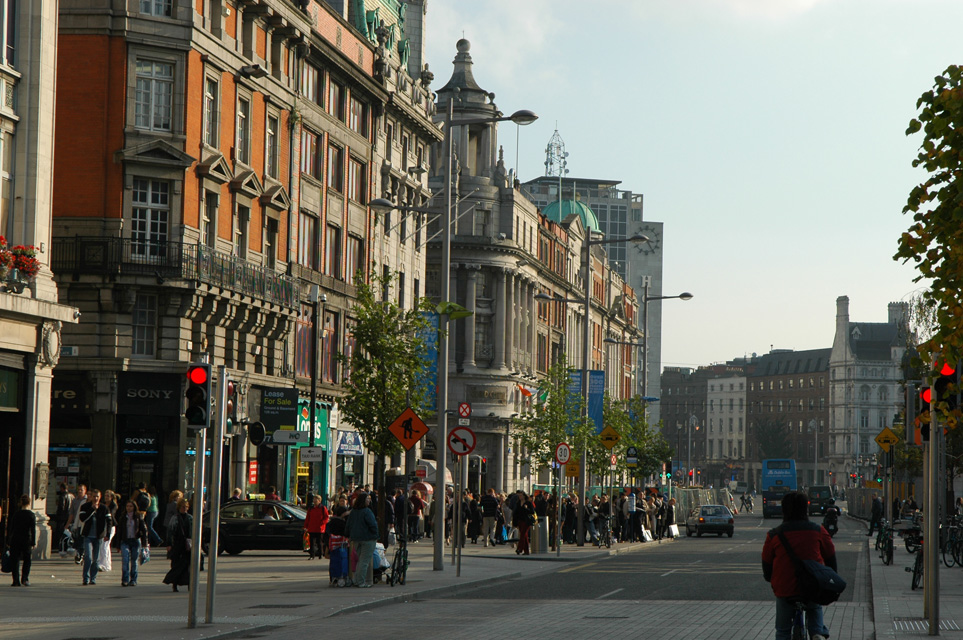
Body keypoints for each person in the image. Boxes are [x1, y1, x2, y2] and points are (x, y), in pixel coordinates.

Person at [762, 491, 836, 640]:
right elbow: (830, 557)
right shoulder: (818, 531)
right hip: (812, 585)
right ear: (805, 509)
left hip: (785, 588)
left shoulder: (774, 535)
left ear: (784, 510)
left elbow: (767, 565)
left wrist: (772, 579)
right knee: (814, 607)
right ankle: (817, 633)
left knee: (783, 631)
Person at [345, 492, 378, 588]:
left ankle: (357, 580)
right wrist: (376, 535)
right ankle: (360, 581)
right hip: (367, 538)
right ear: (363, 501)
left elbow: (348, 525)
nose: (369, 500)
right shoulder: (367, 511)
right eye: (367, 499)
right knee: (364, 561)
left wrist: (348, 535)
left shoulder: (353, 512)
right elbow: (373, 525)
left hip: (356, 539)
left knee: (360, 560)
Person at [78, 489, 110, 585]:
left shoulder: (104, 508)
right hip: (88, 535)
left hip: (98, 536)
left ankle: (93, 578)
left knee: (96, 559)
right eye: (94, 496)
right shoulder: (85, 507)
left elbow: (109, 521)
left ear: (100, 497)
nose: (96, 498)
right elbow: (82, 519)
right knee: (88, 557)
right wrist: (92, 509)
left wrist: (107, 534)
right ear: (90, 497)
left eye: (97, 496)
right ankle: (86, 578)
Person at [115, 500, 148, 586]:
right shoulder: (123, 517)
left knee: (134, 561)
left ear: (134, 507)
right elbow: (119, 532)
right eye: (127, 506)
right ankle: (125, 579)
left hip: (135, 540)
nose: (129, 508)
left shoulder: (138, 517)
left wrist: (145, 543)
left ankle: (133, 579)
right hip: (125, 541)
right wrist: (118, 545)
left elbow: (144, 530)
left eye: (131, 506)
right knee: (125, 560)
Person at [164, 497, 193, 592]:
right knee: (176, 565)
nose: (184, 508)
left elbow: (194, 532)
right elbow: (170, 531)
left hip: (187, 546)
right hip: (177, 544)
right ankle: (174, 584)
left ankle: (189, 584)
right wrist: (169, 544)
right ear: (179, 507)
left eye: (186, 507)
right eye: (182, 507)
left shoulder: (190, 518)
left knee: (187, 566)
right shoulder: (175, 518)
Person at [8, 495, 36, 587]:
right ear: (29, 503)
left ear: (21, 503)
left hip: (16, 539)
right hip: (26, 539)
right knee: (27, 559)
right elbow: (33, 529)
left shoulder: (16, 514)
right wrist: (33, 542)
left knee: (15, 560)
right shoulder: (31, 515)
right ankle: (24, 578)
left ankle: (15, 580)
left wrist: (9, 540)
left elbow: (11, 528)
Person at [304, 495, 329, 560]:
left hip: (320, 528)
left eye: (316, 500)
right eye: (314, 499)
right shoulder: (311, 508)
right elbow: (308, 518)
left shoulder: (323, 508)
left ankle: (320, 554)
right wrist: (306, 526)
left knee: (319, 542)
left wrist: (322, 523)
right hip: (312, 527)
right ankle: (312, 555)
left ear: (319, 501)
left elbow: (326, 517)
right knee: (311, 542)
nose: (314, 501)